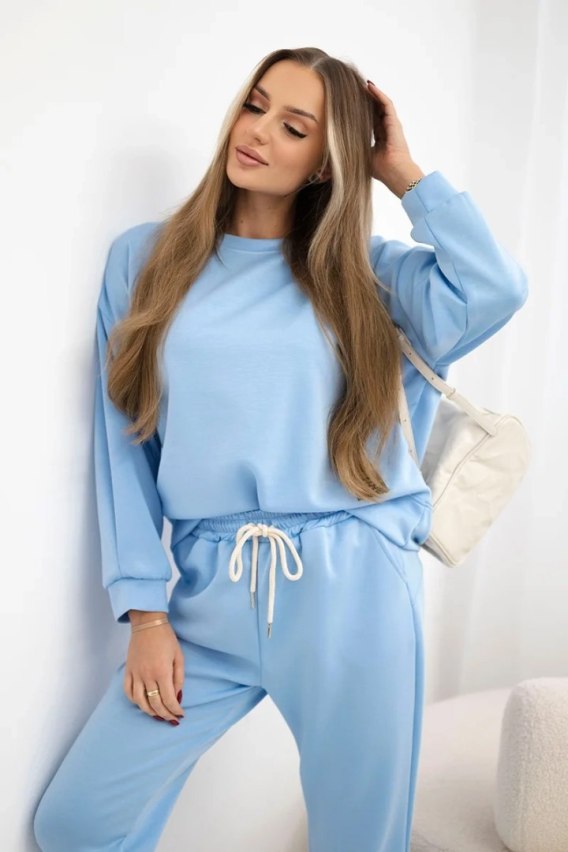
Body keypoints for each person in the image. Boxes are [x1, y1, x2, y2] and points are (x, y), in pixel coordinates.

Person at [32, 46, 528, 852]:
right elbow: (123, 444)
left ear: (326, 164)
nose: (257, 131)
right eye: (255, 105)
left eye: (294, 127)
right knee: (79, 821)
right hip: (208, 595)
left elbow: (494, 289)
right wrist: (145, 613)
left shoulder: (372, 275)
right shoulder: (145, 260)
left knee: (356, 838)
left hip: (355, 588)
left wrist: (401, 173)